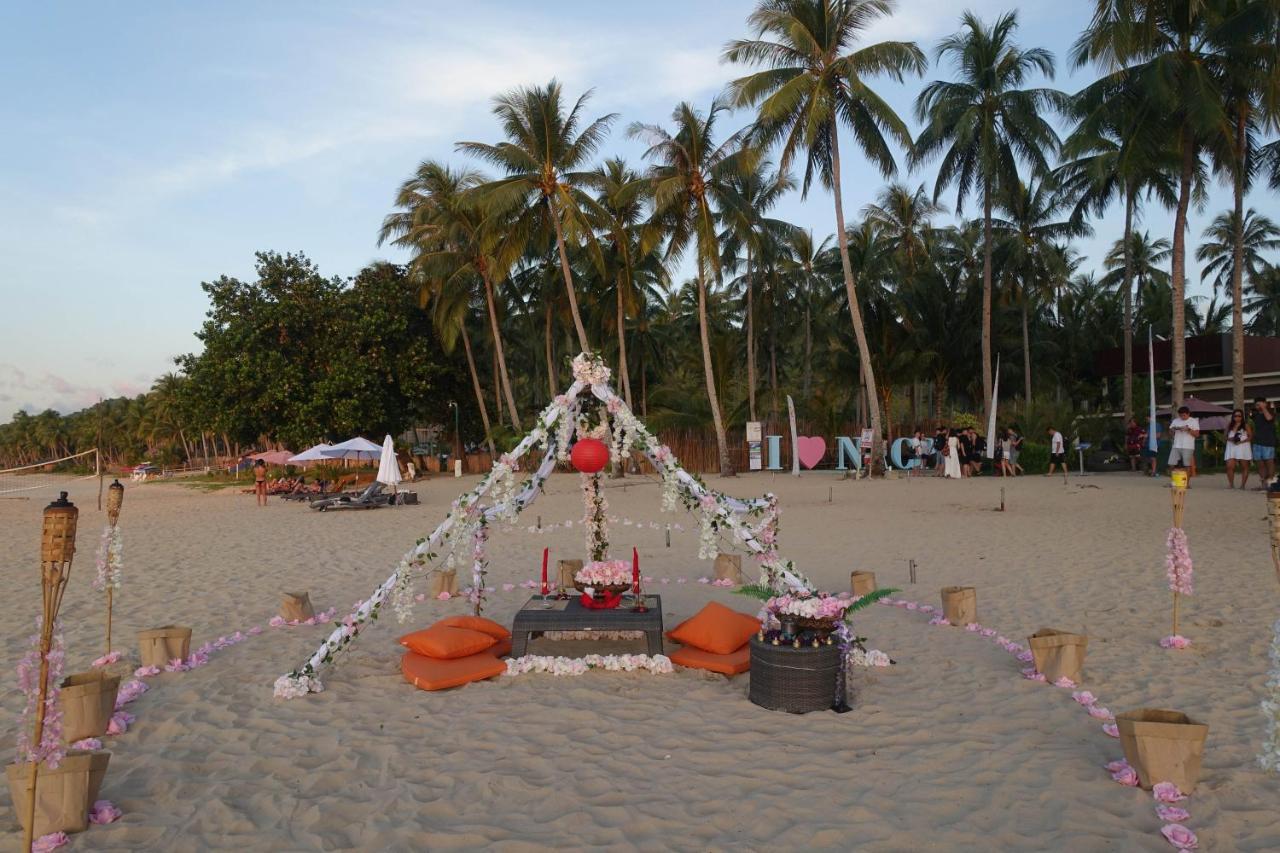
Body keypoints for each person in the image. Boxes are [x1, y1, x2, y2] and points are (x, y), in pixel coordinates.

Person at [1168, 405, 1200, 478]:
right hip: (1176, 445)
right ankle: (1174, 482)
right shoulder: (1176, 420)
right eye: (1180, 415)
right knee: (1171, 464)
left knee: (1187, 465)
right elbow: (1170, 432)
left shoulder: (1193, 421)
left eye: (1184, 415)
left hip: (1188, 446)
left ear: (1188, 414)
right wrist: (1173, 429)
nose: (1182, 417)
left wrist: (1188, 429)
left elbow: (1197, 434)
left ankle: (1187, 484)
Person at [1224, 408, 1252, 489]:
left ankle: (1242, 485)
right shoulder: (1229, 425)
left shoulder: (1246, 425)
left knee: (1244, 467)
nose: (1237, 417)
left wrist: (1241, 441)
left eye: (1239, 416)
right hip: (1231, 446)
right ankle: (1231, 484)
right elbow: (1225, 436)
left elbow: (1250, 436)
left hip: (1243, 447)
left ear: (1242, 417)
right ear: (1233, 416)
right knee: (1229, 466)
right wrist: (1230, 439)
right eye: (1235, 416)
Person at [1252, 397, 1276, 487]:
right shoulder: (1256, 415)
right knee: (1260, 464)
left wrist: (1264, 408)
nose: (1258, 406)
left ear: (1265, 403)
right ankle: (1263, 485)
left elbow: (1269, 418)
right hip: (1257, 443)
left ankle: (1271, 484)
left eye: (1260, 404)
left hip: (1268, 442)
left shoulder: (1271, 412)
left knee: (1269, 462)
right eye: (1257, 405)